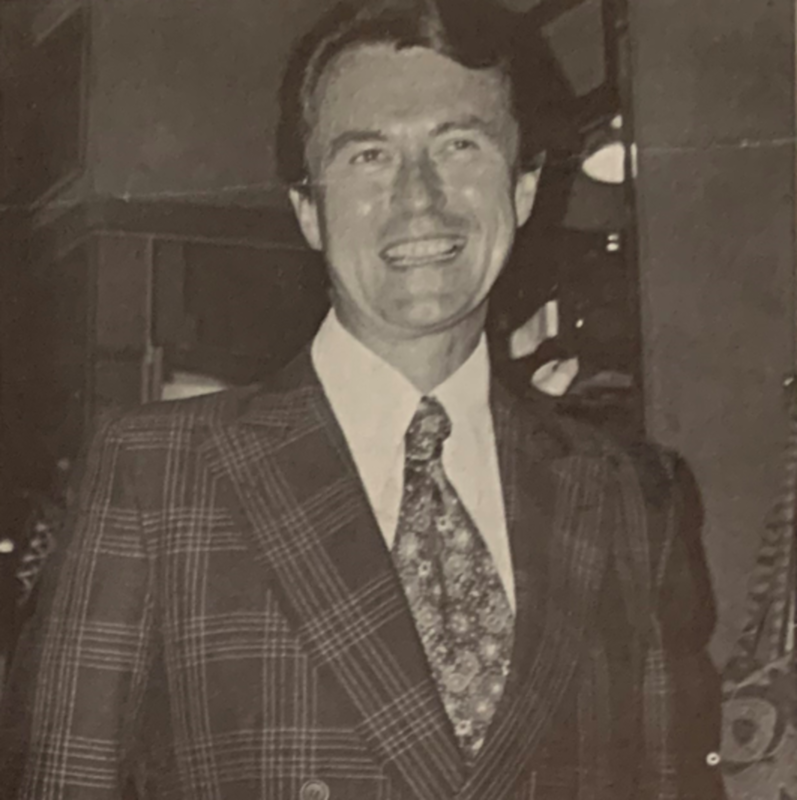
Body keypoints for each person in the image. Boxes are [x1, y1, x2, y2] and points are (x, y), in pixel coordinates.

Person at [0, 1, 725, 797]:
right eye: (368, 156)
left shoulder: (627, 496)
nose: (419, 199)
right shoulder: (156, 473)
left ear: (522, 189)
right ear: (307, 209)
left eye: (459, 145)